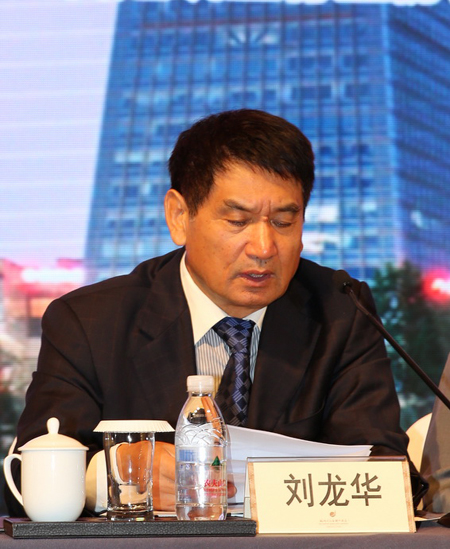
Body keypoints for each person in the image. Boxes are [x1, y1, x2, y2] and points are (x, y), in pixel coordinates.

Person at [5, 109, 425, 516]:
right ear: (179, 216)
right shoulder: (90, 321)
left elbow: (385, 468)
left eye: (283, 222)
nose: (264, 248)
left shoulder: (341, 310)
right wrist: (121, 474)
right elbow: (26, 474)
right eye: (238, 221)